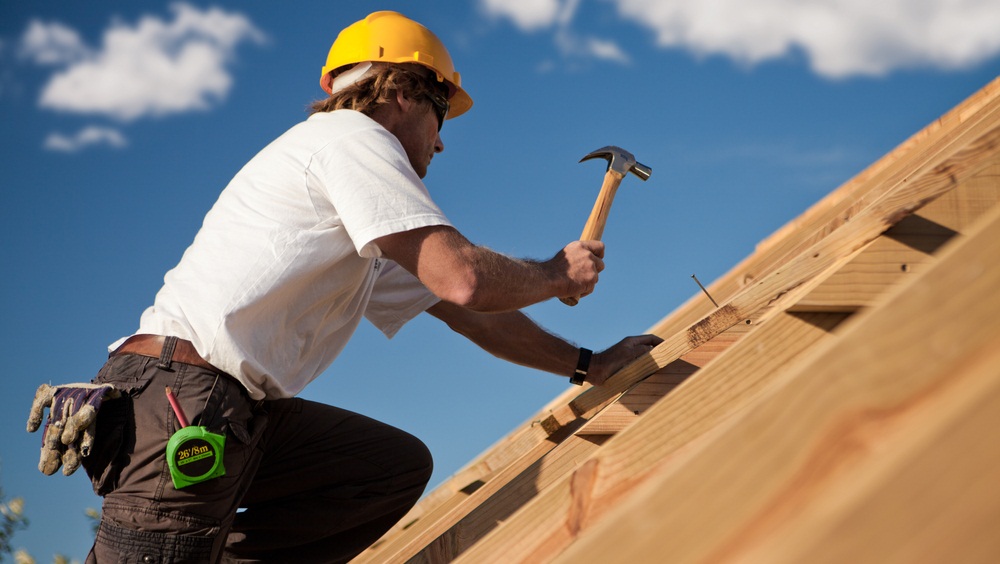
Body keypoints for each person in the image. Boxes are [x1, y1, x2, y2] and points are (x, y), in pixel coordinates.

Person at [27, 11, 662, 563]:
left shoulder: (358, 215)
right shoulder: (354, 139)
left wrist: (590, 364)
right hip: (184, 404)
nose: (441, 141)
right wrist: (555, 275)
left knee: (386, 470)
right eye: (441, 114)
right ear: (405, 93)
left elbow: (469, 312)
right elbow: (463, 279)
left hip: (229, 410)